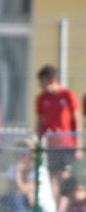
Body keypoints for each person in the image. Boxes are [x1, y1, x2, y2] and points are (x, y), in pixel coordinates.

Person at [35, 65, 79, 202]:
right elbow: (40, 122)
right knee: (53, 177)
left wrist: (78, 145)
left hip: (65, 145)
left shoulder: (67, 95)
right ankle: (56, 210)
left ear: (51, 80)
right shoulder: (42, 98)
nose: (40, 85)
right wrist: (38, 142)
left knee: (64, 176)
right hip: (50, 145)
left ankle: (66, 208)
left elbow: (76, 120)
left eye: (42, 81)